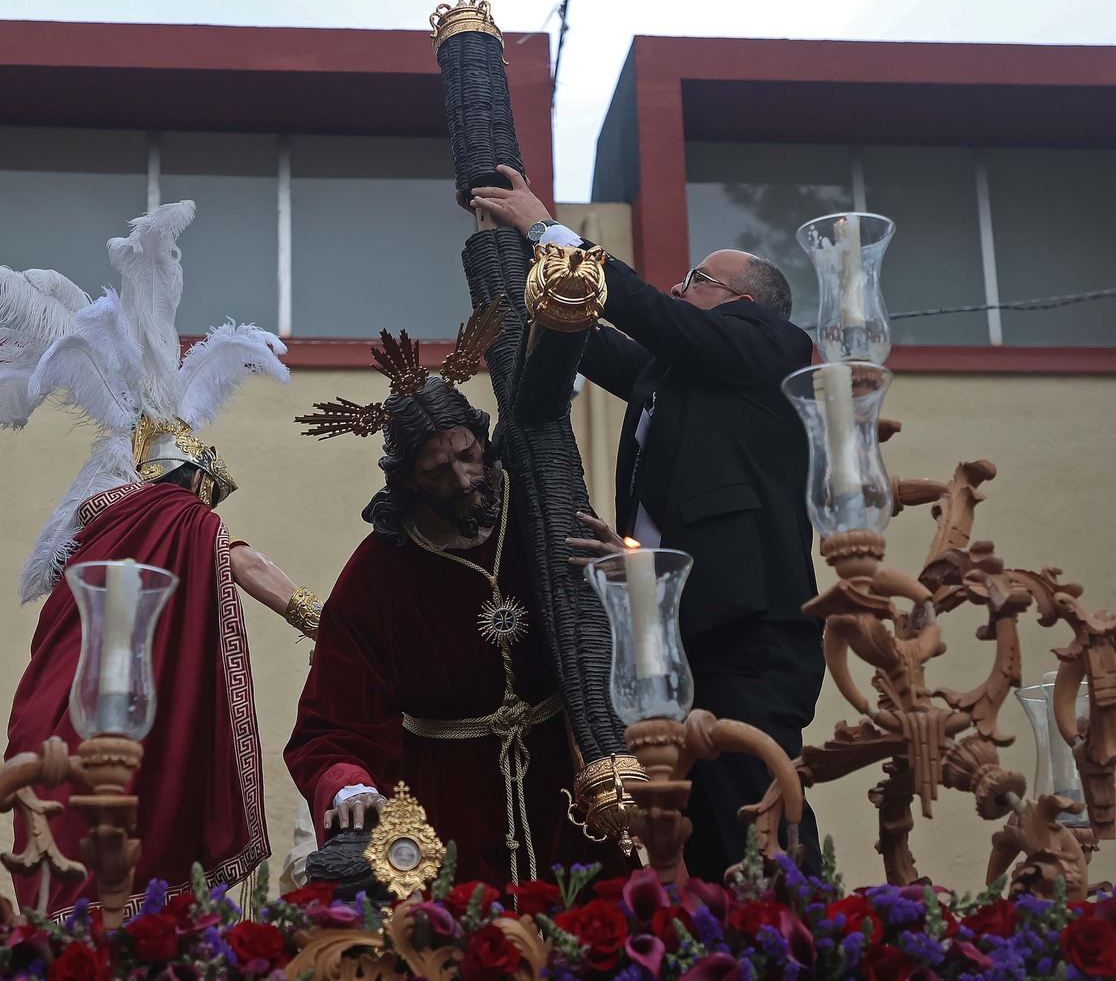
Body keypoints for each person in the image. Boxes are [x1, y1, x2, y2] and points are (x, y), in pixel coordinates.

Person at [470, 166, 824, 883]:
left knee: (753, 836)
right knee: (688, 844)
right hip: (682, 637)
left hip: (746, 640)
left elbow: (653, 317)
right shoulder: (681, 380)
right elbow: (593, 339)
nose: (676, 288)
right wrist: (516, 275)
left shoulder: (771, 347)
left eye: (696, 279)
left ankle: (797, 950)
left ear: (744, 303)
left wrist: (548, 228)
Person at [0, 201, 323, 918]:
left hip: (53, 720)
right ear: (187, 477)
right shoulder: (174, 515)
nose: (207, 504)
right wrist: (325, 619)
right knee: (126, 863)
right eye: (205, 488)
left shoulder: (98, 521)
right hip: (115, 722)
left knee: (68, 846)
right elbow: (243, 561)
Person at [285, 310, 629, 891]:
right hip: (446, 800)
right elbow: (333, 717)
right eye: (438, 471)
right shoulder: (378, 573)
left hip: (564, 775)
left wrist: (626, 575)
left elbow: (607, 631)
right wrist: (347, 781)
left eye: (468, 453)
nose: (466, 478)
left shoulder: (540, 515)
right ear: (410, 482)